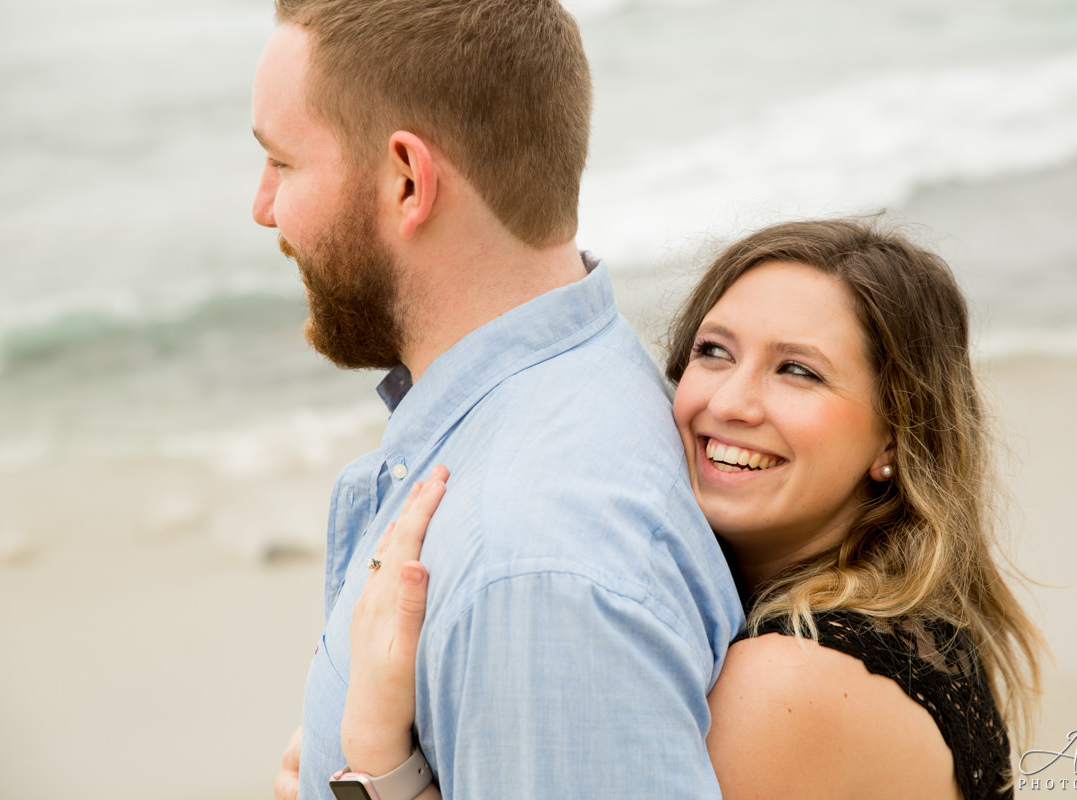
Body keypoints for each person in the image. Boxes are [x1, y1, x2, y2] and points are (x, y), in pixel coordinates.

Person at [349, 218, 1047, 799]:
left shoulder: (787, 686)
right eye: (713, 353)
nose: (730, 402)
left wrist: (379, 757)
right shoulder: (915, 622)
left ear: (895, 436)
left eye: (796, 370)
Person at [250, 2, 744, 799]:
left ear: (408, 180)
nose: (263, 207)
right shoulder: (544, 418)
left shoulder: (532, 569)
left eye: (283, 163)